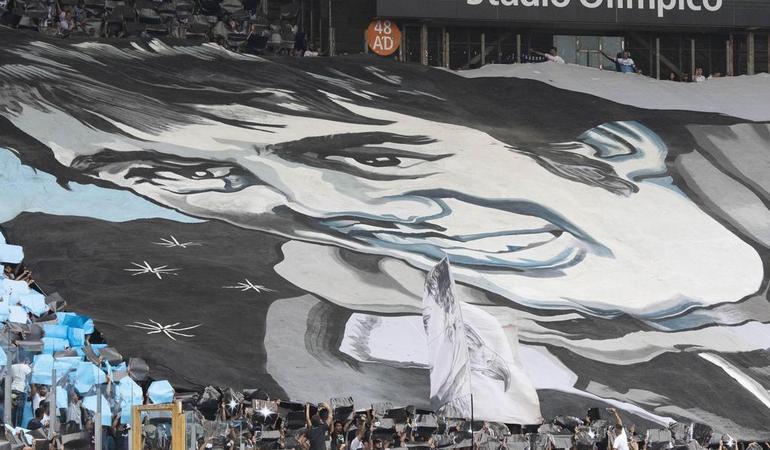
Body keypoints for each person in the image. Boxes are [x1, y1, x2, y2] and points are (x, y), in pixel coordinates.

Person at [10, 359, 31, 427]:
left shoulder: (12, 366)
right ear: (25, 360)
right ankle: (17, 428)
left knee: (13, 410)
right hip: (21, 390)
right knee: (20, 411)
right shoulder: (26, 367)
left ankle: (12, 427)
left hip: (12, 389)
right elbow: (29, 379)